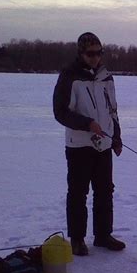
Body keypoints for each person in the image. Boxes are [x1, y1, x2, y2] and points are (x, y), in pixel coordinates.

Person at [53, 32, 125, 256]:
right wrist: (87, 124)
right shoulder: (69, 77)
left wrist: (117, 138)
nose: (95, 58)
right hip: (79, 146)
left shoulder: (107, 77)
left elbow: (113, 111)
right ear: (81, 53)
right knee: (78, 193)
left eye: (99, 53)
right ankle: (77, 239)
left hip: (104, 144)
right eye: (90, 54)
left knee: (105, 191)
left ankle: (103, 235)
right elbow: (60, 112)